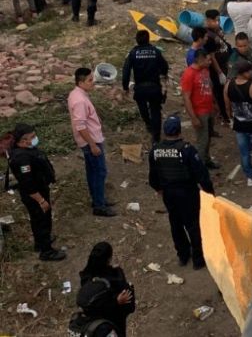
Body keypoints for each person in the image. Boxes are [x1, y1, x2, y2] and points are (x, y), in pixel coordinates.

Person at [148, 116, 214, 269]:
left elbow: (153, 177)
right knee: (193, 225)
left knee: (176, 224)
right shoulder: (187, 150)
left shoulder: (156, 151)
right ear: (179, 130)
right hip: (187, 193)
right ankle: (198, 260)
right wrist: (210, 193)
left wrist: (160, 190)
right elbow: (202, 175)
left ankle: (183, 255)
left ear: (165, 131)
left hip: (169, 194)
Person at [8, 124, 64, 261]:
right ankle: (47, 252)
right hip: (35, 195)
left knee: (38, 219)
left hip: (40, 189)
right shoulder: (22, 159)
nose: (35, 139)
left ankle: (40, 242)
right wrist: (41, 200)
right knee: (42, 220)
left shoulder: (27, 149)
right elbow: (27, 184)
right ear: (23, 140)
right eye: (32, 137)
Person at [69, 68, 116, 217]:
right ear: (81, 82)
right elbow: (80, 126)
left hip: (91, 139)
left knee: (92, 171)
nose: (93, 82)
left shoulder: (77, 94)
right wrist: (92, 144)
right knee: (99, 172)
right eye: (89, 80)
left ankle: (98, 198)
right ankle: (99, 206)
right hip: (91, 142)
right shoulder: (80, 100)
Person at [75, 242, 135, 335]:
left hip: (92, 326)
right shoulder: (116, 278)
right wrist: (117, 301)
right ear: (109, 259)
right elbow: (129, 306)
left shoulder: (86, 277)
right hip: (112, 324)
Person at [122, 30, 169, 143]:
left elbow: (126, 71)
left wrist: (125, 87)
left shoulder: (133, 53)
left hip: (140, 88)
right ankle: (156, 137)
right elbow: (165, 66)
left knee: (142, 108)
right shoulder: (155, 51)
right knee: (156, 111)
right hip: (154, 87)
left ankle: (148, 124)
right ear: (149, 39)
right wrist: (162, 74)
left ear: (137, 40)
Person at [180, 50, 219, 169]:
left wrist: (215, 104)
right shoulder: (189, 74)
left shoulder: (205, 70)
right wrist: (193, 117)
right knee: (202, 140)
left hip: (209, 109)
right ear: (200, 60)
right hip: (199, 112)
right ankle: (199, 167)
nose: (210, 61)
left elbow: (209, 87)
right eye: (208, 59)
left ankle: (206, 160)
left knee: (207, 138)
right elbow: (186, 98)